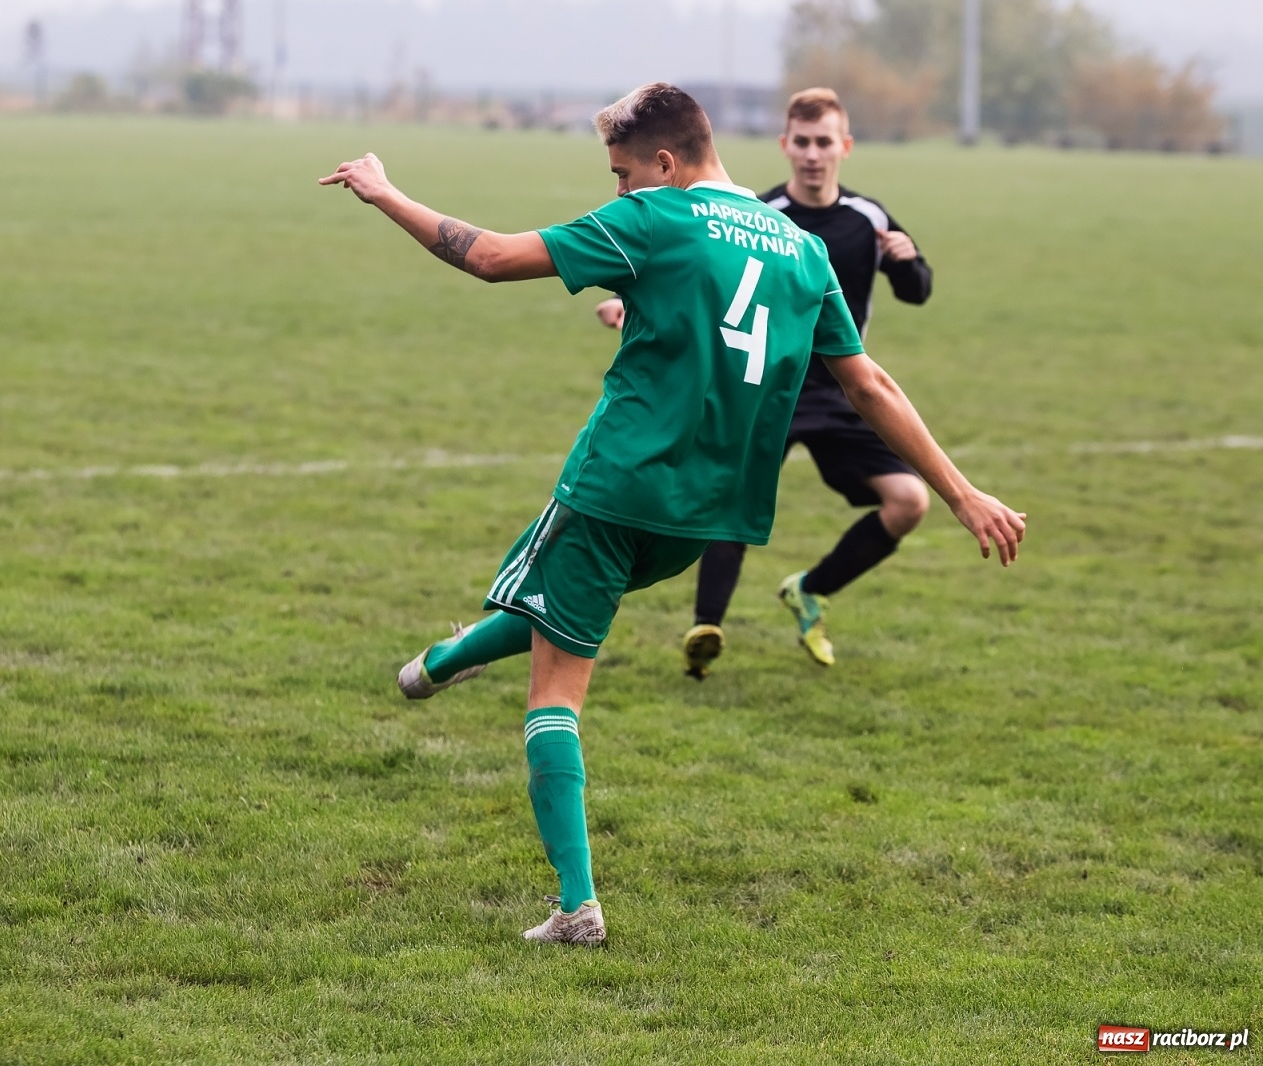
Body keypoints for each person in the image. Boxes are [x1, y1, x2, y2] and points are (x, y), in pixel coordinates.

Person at [320, 83, 1024, 946]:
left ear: (665, 162)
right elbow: (869, 383)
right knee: (566, 606)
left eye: (623, 175)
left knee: (556, 692)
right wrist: (963, 493)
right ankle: (439, 663)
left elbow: (492, 257)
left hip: (616, 486)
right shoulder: (803, 252)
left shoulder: (657, 220)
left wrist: (385, 191)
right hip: (703, 511)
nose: (619, 192)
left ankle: (576, 905)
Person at [600, 88, 936, 678]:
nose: (812, 154)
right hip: (763, 387)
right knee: (729, 504)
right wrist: (635, 307)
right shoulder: (762, 214)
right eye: (801, 142)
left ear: (844, 147)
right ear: (785, 145)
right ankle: (707, 625)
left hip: (838, 394)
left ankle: (810, 589)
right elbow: (703, 282)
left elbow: (917, 293)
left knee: (909, 501)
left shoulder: (869, 218)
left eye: (824, 142)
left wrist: (908, 262)